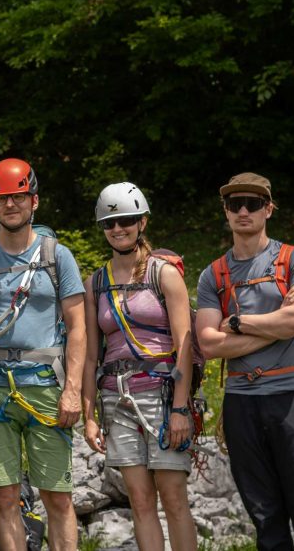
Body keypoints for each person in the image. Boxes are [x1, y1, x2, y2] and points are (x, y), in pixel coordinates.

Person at [196, 173, 294, 551]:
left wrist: (240, 324)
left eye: (253, 203)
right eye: (235, 204)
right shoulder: (213, 275)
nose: (244, 211)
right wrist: (278, 326)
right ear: (225, 211)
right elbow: (208, 343)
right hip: (241, 404)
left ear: (268, 209)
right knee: (265, 518)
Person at [0, 158, 86, 551]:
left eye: (19, 197)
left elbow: (78, 327)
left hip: (45, 384)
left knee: (58, 497)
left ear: (35, 201)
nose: (10, 205)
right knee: (4, 496)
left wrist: (73, 390)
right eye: (2, 199)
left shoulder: (56, 256)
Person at [80, 183, 197, 551]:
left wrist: (180, 408)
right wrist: (89, 414)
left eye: (126, 220)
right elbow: (89, 355)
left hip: (162, 395)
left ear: (142, 222)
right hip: (117, 399)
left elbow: (185, 344)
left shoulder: (163, 275)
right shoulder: (95, 284)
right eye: (110, 223)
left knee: (173, 497)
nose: (118, 229)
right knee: (140, 501)